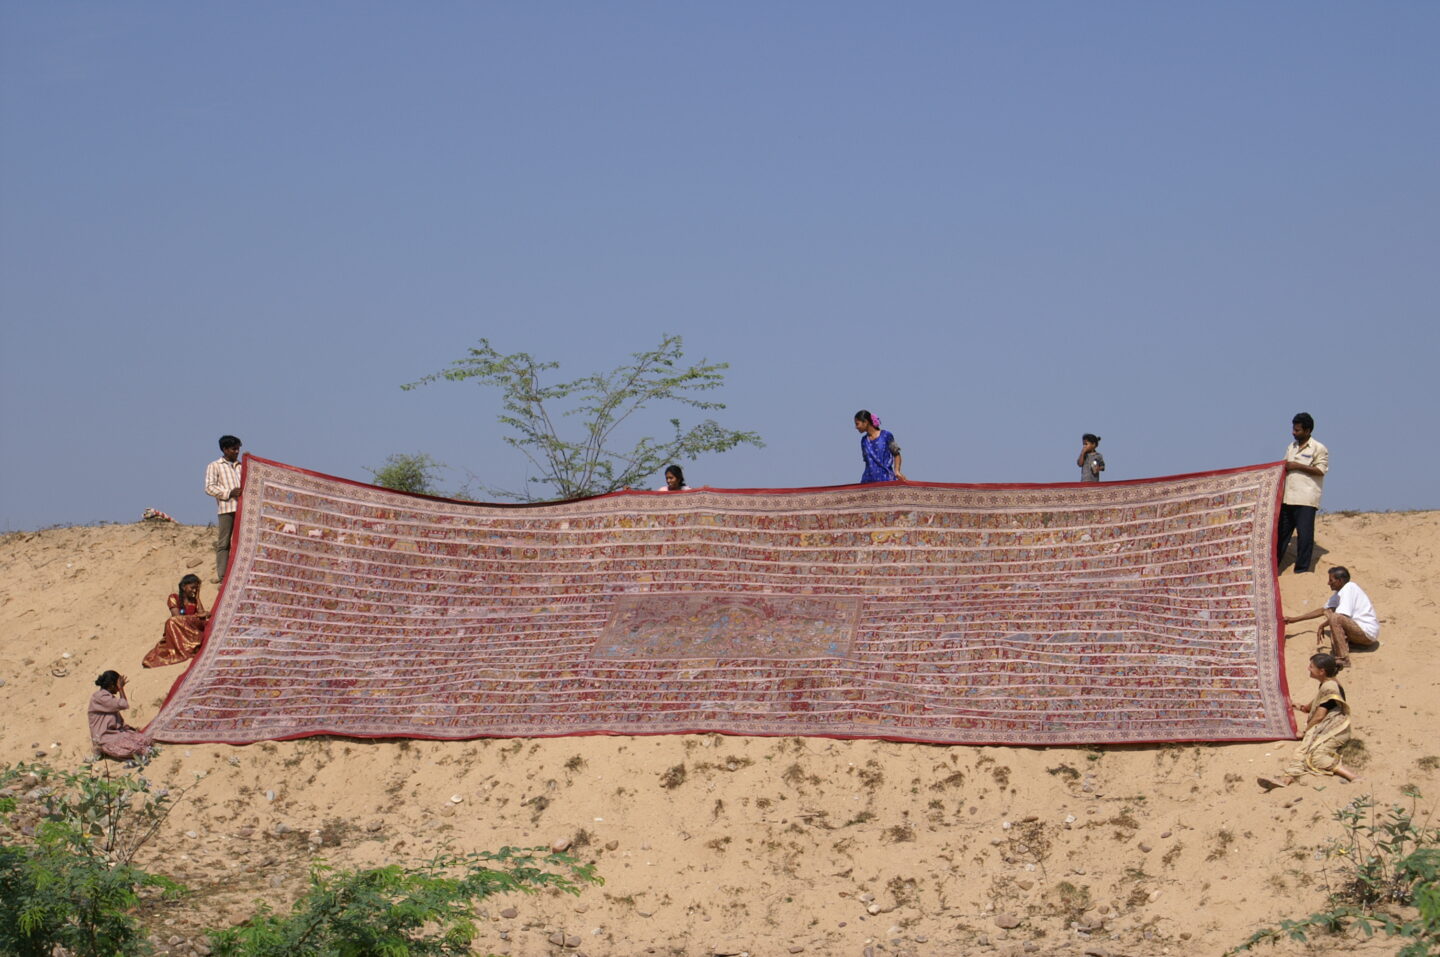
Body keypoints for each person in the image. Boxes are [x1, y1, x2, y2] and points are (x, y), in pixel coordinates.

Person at [1258, 653, 1357, 790]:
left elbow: (1319, 716)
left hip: (1335, 729)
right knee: (1304, 749)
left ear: (1321, 671)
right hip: (1327, 726)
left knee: (1316, 756)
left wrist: (1305, 732)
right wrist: (1302, 707)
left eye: (1311, 667)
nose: (1308, 669)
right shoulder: (1328, 683)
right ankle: (1287, 779)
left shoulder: (1330, 687)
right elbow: (1321, 700)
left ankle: (1353, 777)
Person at [1284, 566, 1380, 668]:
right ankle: (1350, 645)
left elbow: (1341, 616)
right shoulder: (1340, 592)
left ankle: (1343, 659)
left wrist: (1323, 625)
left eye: (1331, 580)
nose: (1328, 583)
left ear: (1339, 581)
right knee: (1329, 613)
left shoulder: (1349, 588)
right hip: (1361, 634)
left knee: (1334, 618)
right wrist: (1294, 619)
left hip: (1367, 633)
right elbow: (1323, 610)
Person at [1277, 412, 1328, 573]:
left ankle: (1302, 569)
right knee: (1280, 535)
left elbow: (1321, 470)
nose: (1294, 432)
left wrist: (1298, 466)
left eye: (1297, 430)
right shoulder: (1291, 447)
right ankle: (1273, 566)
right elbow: (1284, 466)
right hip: (1288, 498)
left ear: (1307, 431)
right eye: (1293, 429)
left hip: (1306, 499)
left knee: (1305, 536)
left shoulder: (1318, 448)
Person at [142, 574, 209, 668]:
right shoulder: (174, 598)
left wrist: (197, 598)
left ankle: (191, 646)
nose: (194, 591)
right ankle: (184, 648)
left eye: (196, 588)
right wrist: (197, 616)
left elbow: (202, 618)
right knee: (171, 622)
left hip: (192, 630)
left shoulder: (194, 601)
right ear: (183, 586)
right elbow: (177, 617)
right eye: (192, 587)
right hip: (179, 629)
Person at [88, 671, 156, 763]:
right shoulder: (100, 698)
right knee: (135, 749)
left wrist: (129, 729)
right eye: (118, 684)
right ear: (112, 685)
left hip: (116, 734)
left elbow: (116, 720)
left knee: (146, 740)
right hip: (105, 739)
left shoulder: (108, 697)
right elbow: (123, 704)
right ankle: (104, 750)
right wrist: (121, 689)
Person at [205, 435, 243, 582]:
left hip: (243, 508)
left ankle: (239, 571)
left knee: (242, 541)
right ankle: (223, 575)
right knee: (224, 542)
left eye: (238, 448)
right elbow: (209, 488)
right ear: (225, 449)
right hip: (227, 508)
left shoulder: (242, 466)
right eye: (234, 449)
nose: (236, 451)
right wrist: (229, 493)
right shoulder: (214, 466)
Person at [855, 410, 906, 484]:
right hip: (868, 480)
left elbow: (896, 454)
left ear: (865, 422)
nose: (856, 427)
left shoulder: (886, 435)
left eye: (857, 424)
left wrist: (897, 471)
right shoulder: (864, 441)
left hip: (886, 478)